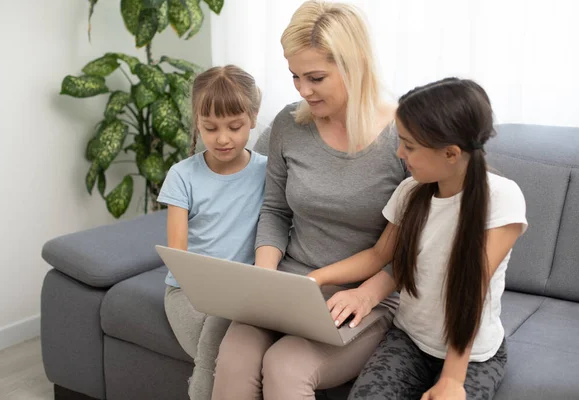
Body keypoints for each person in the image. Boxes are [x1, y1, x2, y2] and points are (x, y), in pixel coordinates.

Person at [211, 1, 407, 399]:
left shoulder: (406, 135)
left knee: (286, 366)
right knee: (234, 355)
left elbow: (418, 245)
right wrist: (264, 277)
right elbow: (275, 211)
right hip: (289, 286)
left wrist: (367, 294)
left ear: (356, 64)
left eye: (315, 77)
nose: (302, 90)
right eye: (295, 76)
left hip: (362, 296)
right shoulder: (290, 122)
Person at [309, 78, 527, 400]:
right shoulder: (410, 192)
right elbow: (377, 255)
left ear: (451, 153)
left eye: (409, 146)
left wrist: (452, 379)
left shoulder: (501, 198)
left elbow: (469, 288)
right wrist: (314, 279)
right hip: (409, 339)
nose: (400, 153)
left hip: (472, 355)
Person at [157, 65, 267, 400]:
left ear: (253, 117)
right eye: (210, 128)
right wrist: (217, 298)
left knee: (231, 341)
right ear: (197, 123)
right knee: (218, 351)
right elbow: (179, 258)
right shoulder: (182, 176)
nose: (222, 138)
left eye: (234, 127)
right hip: (188, 294)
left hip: (243, 296)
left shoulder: (267, 171)